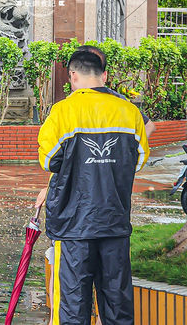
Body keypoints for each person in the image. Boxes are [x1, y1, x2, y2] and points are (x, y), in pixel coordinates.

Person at [41, 44, 156, 325]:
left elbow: (49, 161)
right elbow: (138, 160)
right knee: (117, 304)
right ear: (102, 75)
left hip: (73, 225)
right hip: (114, 223)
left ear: (73, 76)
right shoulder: (129, 112)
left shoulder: (62, 112)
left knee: (72, 306)